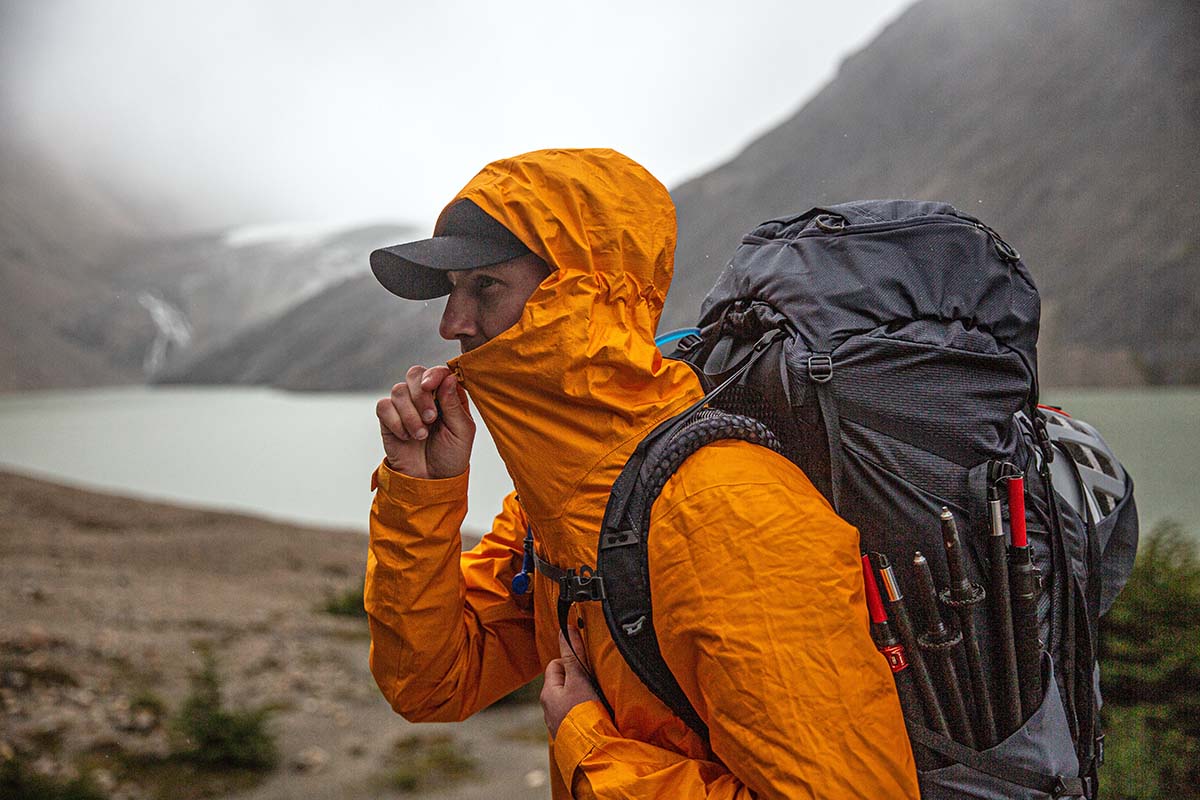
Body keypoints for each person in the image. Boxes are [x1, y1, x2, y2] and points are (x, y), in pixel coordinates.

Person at [365, 148, 920, 798]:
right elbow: (431, 682)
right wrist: (422, 490)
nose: (451, 324)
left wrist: (588, 749)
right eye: (453, 292)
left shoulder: (726, 511)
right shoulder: (553, 509)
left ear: (579, 299)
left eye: (485, 287)